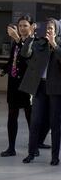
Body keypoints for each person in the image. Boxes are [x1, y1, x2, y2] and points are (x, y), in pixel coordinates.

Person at [20, 18, 61, 166]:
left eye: (52, 28)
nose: (49, 31)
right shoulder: (40, 42)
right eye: (47, 28)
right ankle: (31, 153)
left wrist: (54, 45)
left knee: (55, 123)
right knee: (35, 121)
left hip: (56, 89)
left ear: (57, 30)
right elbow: (25, 53)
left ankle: (55, 156)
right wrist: (30, 36)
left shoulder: (58, 44)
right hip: (40, 87)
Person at [0, 16, 33, 157]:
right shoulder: (15, 43)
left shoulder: (33, 42)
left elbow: (27, 59)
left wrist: (18, 40)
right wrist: (3, 71)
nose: (22, 28)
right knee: (12, 115)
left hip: (27, 84)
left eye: (25, 25)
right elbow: (12, 61)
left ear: (31, 26)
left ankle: (33, 146)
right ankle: (11, 148)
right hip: (13, 85)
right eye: (20, 25)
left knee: (30, 117)